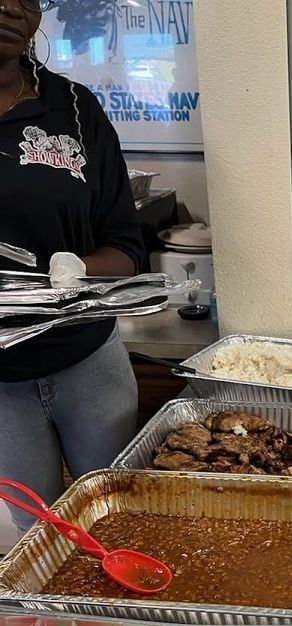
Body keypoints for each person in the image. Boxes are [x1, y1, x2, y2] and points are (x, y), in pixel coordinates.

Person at [0, 0, 143, 539]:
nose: (11, 6)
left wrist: (75, 270)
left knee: (118, 522)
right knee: (39, 533)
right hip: (2, 384)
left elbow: (126, 247)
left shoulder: (74, 109)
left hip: (90, 364)